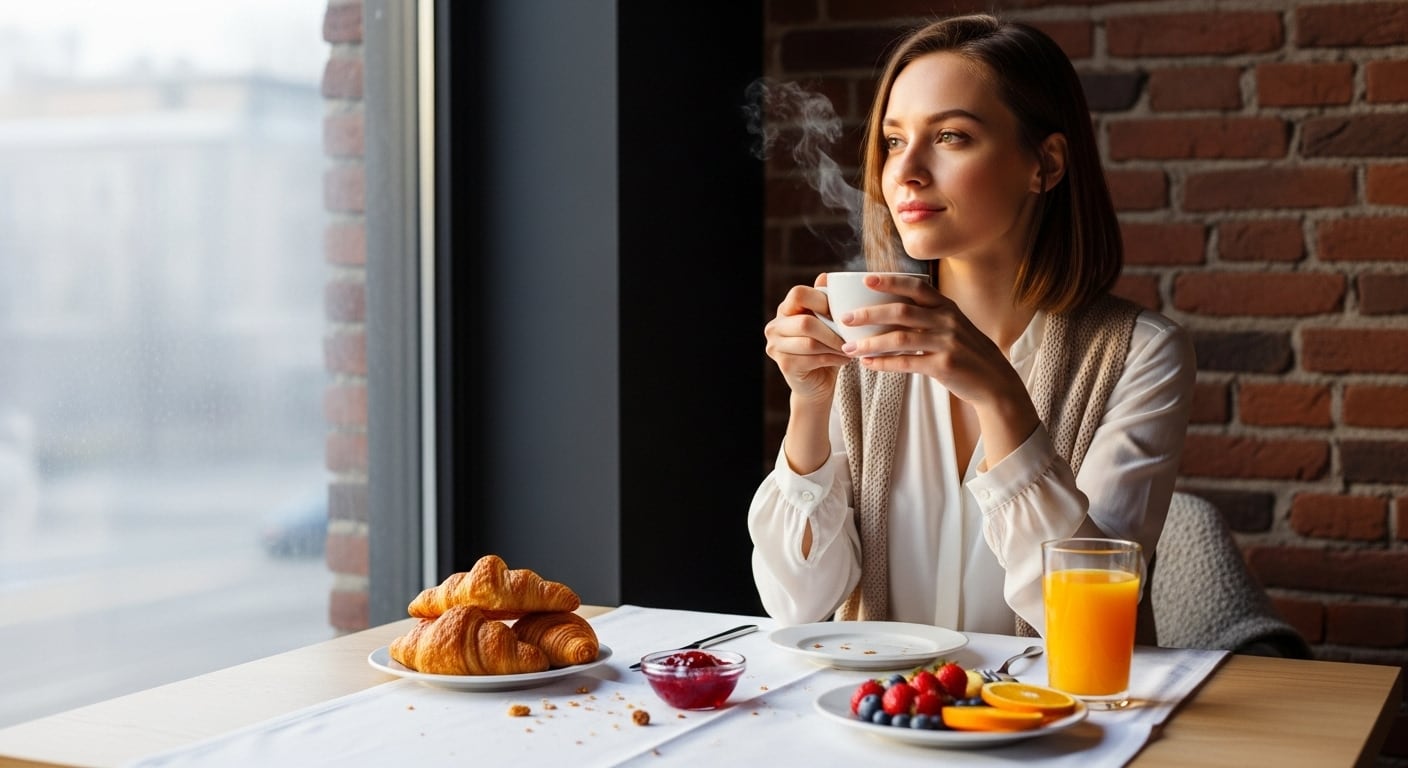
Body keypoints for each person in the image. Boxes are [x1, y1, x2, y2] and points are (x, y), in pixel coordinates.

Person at [748, 14, 1196, 641]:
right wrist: (810, 404)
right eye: (895, 141)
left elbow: (1093, 625)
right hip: (881, 722)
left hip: (1046, 731)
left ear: (1046, 163)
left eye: (951, 137)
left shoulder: (1139, 356)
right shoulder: (862, 344)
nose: (906, 172)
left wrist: (1000, 397)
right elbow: (795, 605)